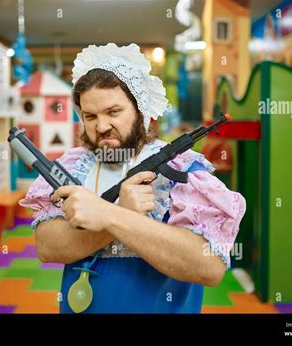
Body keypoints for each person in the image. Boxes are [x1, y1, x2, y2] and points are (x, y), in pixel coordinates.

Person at [19, 43, 246, 313]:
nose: (101, 127)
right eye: (90, 116)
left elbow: (209, 267)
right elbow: (47, 247)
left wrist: (111, 216)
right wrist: (116, 216)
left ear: (142, 111)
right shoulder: (73, 166)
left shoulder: (184, 170)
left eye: (114, 112)